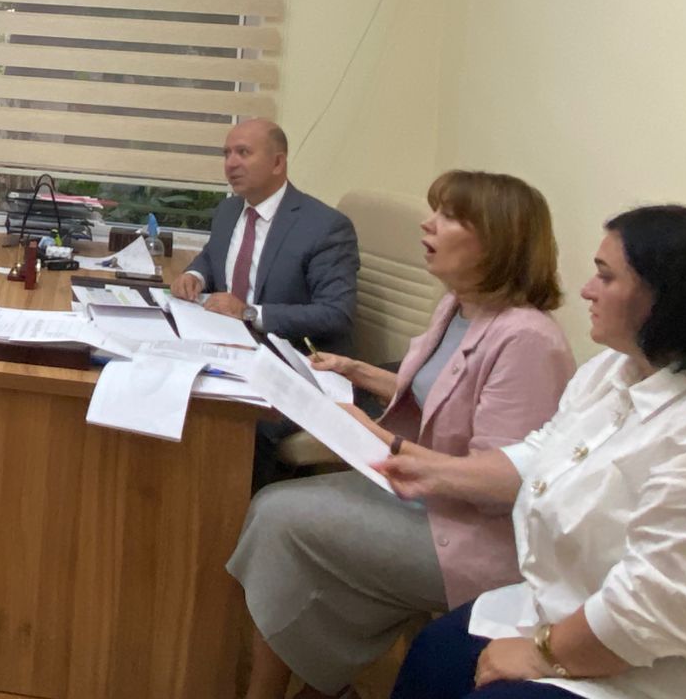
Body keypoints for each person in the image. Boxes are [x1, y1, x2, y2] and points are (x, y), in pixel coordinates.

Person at [385, 205, 686, 699]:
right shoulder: (612, 371)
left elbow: (659, 604)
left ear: (668, 297)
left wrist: (542, 654)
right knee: (435, 655)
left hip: (662, 669)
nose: (586, 290)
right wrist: (434, 470)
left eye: (605, 276)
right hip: (567, 608)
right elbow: (547, 453)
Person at [228, 170, 575, 699]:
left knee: (279, 518)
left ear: (497, 241)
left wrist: (379, 435)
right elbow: (445, 393)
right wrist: (358, 371)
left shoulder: (529, 340)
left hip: (473, 535)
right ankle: (317, 687)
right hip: (424, 496)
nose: (427, 224)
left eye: (449, 217)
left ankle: (294, 688)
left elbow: (500, 486)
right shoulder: (457, 306)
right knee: (278, 521)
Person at [169, 118, 359, 354]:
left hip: (285, 355)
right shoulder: (228, 210)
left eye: (243, 152)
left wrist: (249, 313)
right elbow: (212, 256)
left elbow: (336, 314)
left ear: (277, 163)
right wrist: (194, 275)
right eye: (227, 154)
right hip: (220, 339)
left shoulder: (325, 226)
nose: (231, 164)